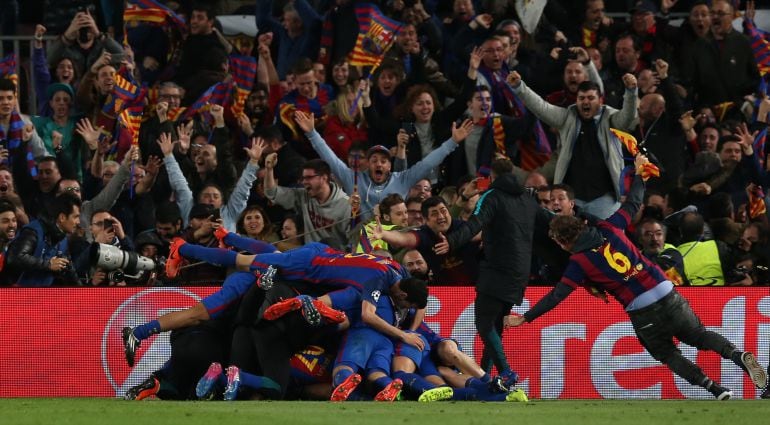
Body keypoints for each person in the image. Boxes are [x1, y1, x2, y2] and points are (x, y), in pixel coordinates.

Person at [504, 155, 768, 400]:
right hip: (666, 291)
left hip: (642, 310)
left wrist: (525, 317)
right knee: (698, 335)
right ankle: (737, 354)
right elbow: (633, 203)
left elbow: (557, 295)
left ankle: (715, 388)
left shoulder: (579, 262)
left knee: (666, 352)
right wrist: (641, 174)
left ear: (563, 241)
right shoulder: (610, 227)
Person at [433, 159, 541, 385]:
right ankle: (485, 378)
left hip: (498, 270)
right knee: (495, 328)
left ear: (491, 177)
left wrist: (451, 242)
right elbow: (546, 222)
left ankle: (506, 372)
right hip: (521, 272)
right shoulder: (527, 199)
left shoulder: (491, 197)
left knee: (484, 323)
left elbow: (475, 223)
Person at [295, 110, 474, 221]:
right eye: (374, 161)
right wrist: (312, 134)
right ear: (367, 164)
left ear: (390, 166)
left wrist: (452, 142)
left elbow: (429, 162)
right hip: (363, 239)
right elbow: (330, 158)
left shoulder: (403, 179)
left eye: (383, 161)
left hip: (397, 238)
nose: (379, 164)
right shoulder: (353, 178)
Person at [508, 68, 638, 219]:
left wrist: (631, 92)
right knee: (568, 241)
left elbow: (628, 117)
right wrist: (519, 87)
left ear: (600, 100)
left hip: (605, 200)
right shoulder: (567, 117)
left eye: (590, 98)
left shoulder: (611, 118)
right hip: (571, 200)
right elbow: (541, 107)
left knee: (607, 240)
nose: (586, 102)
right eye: (581, 98)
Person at [264, 155, 350, 245]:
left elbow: (353, 242)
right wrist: (269, 169)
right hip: (310, 256)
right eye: (303, 178)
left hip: (335, 257)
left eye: (309, 177)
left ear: (324, 178)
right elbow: (271, 192)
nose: (304, 182)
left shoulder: (346, 205)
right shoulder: (304, 196)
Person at [5, 193, 80, 286]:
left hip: (40, 297)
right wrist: (48, 265)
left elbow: (70, 273)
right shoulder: (33, 231)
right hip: (16, 296)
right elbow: (15, 258)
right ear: (62, 217)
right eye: (76, 217)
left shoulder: (63, 239)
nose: (78, 222)